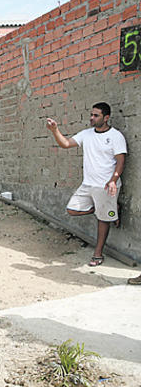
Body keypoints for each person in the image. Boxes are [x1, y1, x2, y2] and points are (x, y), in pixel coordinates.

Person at [45, 102, 126, 269]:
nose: (92, 118)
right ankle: (111, 209)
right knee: (72, 209)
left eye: (96, 115)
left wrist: (113, 180)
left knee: (103, 219)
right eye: (91, 114)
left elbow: (121, 161)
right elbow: (66, 144)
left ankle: (98, 254)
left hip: (105, 186)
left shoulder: (116, 136)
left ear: (106, 118)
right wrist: (55, 131)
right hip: (88, 184)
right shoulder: (86, 134)